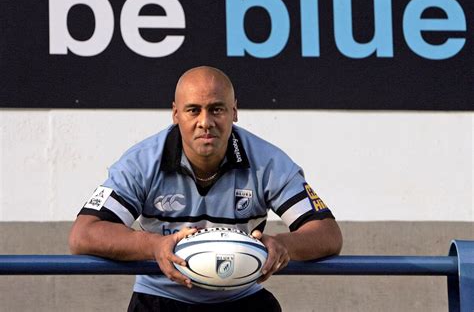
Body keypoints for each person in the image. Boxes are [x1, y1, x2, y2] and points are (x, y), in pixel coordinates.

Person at [69, 66, 343, 311]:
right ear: (176, 113)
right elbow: (84, 233)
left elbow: (328, 233)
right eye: (193, 110)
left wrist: (283, 245)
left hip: (240, 296)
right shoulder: (142, 162)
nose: (205, 122)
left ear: (234, 111)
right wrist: (155, 246)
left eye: (217, 109)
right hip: (160, 298)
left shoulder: (267, 161)